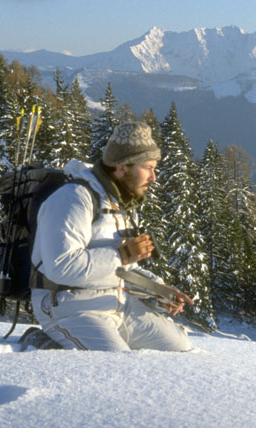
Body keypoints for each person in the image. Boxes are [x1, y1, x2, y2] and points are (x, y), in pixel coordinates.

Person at [30, 120, 194, 351]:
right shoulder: (73, 198)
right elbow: (61, 266)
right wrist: (123, 254)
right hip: (69, 306)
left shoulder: (122, 204)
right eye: (147, 167)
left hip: (116, 302)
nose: (154, 177)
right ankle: (43, 342)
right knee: (115, 365)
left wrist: (157, 290)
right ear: (122, 167)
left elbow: (120, 269)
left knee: (181, 349)